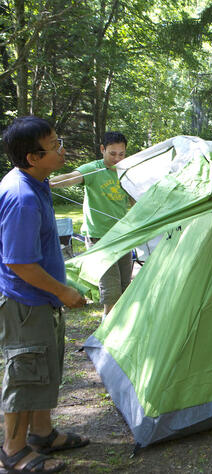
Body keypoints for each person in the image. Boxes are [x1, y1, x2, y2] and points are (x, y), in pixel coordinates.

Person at [0, 116, 89, 473]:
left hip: (40, 300)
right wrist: (63, 291)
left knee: (43, 370)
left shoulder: (37, 181)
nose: (62, 149)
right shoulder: (22, 197)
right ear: (32, 157)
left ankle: (41, 434)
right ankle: (13, 451)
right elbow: (20, 263)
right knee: (25, 372)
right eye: (55, 146)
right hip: (25, 301)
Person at [50, 132, 132, 317]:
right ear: (102, 149)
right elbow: (71, 177)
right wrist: (45, 182)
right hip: (99, 238)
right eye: (112, 153)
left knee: (125, 290)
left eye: (121, 154)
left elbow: (136, 202)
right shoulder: (93, 169)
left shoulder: (126, 171)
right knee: (112, 294)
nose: (117, 158)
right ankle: (106, 337)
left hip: (123, 237)